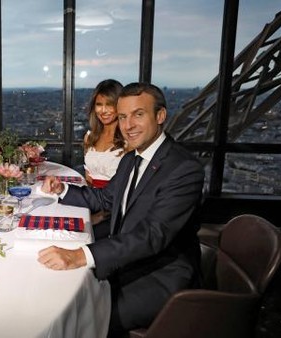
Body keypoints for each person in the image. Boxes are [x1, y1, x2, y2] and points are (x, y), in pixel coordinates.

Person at [39, 83, 204, 337]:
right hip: (126, 262)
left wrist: (81, 255)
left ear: (160, 116)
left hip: (159, 277)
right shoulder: (131, 159)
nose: (128, 125)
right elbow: (105, 199)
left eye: (139, 114)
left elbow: (152, 235)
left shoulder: (183, 169)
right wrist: (63, 190)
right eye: (124, 116)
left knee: (83, 315)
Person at [83, 79, 126, 188]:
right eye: (99, 104)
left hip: (116, 201)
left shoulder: (129, 139)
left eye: (109, 104)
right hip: (92, 199)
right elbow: (88, 178)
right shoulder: (89, 137)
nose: (103, 110)